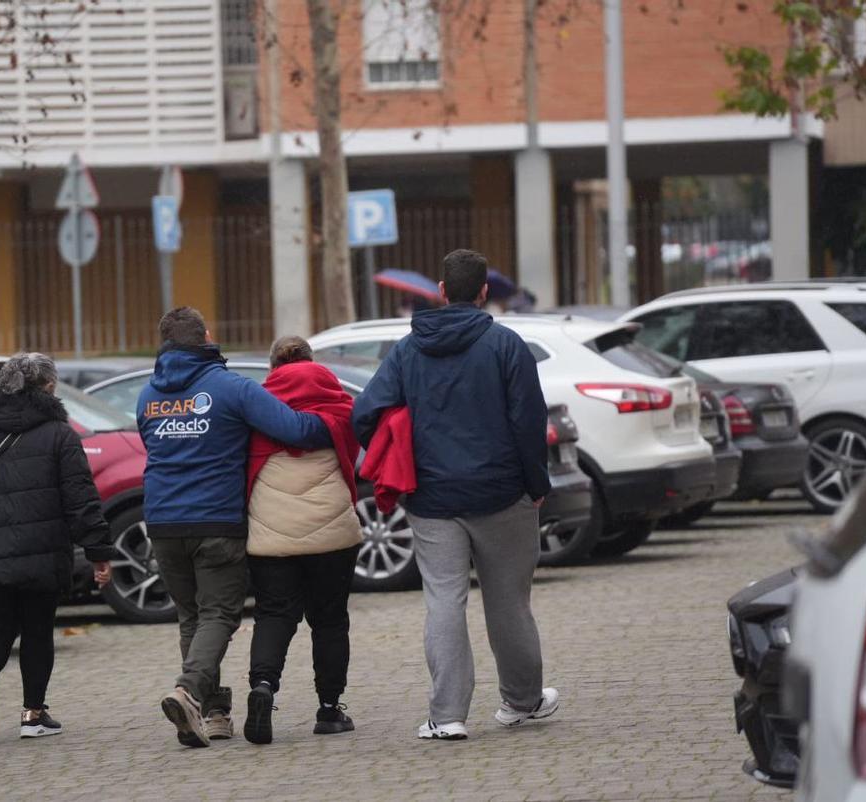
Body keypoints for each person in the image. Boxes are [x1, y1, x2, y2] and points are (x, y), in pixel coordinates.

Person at [352, 249, 559, 741]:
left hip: (431, 498)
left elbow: (365, 412)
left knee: (443, 600)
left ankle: (447, 716)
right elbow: (529, 423)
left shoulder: (406, 350)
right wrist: (537, 486)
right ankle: (522, 702)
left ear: (440, 292)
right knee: (509, 602)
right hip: (503, 493)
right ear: (485, 292)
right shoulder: (507, 345)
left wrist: (399, 445)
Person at [137, 308, 332, 749]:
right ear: (206, 337)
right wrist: (339, 423)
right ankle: (188, 691)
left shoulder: (147, 395)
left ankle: (214, 712)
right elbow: (295, 429)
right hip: (215, 520)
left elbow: (152, 446)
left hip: (163, 521)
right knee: (219, 615)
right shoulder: (231, 387)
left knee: (192, 616)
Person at [0, 353, 115, 744]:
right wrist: (99, 552)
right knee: (37, 630)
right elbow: (80, 499)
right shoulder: (59, 434)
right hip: (43, 551)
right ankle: (33, 715)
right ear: (48, 387)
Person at [242, 336, 362, 745]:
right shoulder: (339, 402)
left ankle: (263, 687)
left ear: (273, 366)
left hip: (271, 531)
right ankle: (329, 710)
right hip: (332, 529)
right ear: (311, 360)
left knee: (274, 614)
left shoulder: (259, 406)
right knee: (329, 619)